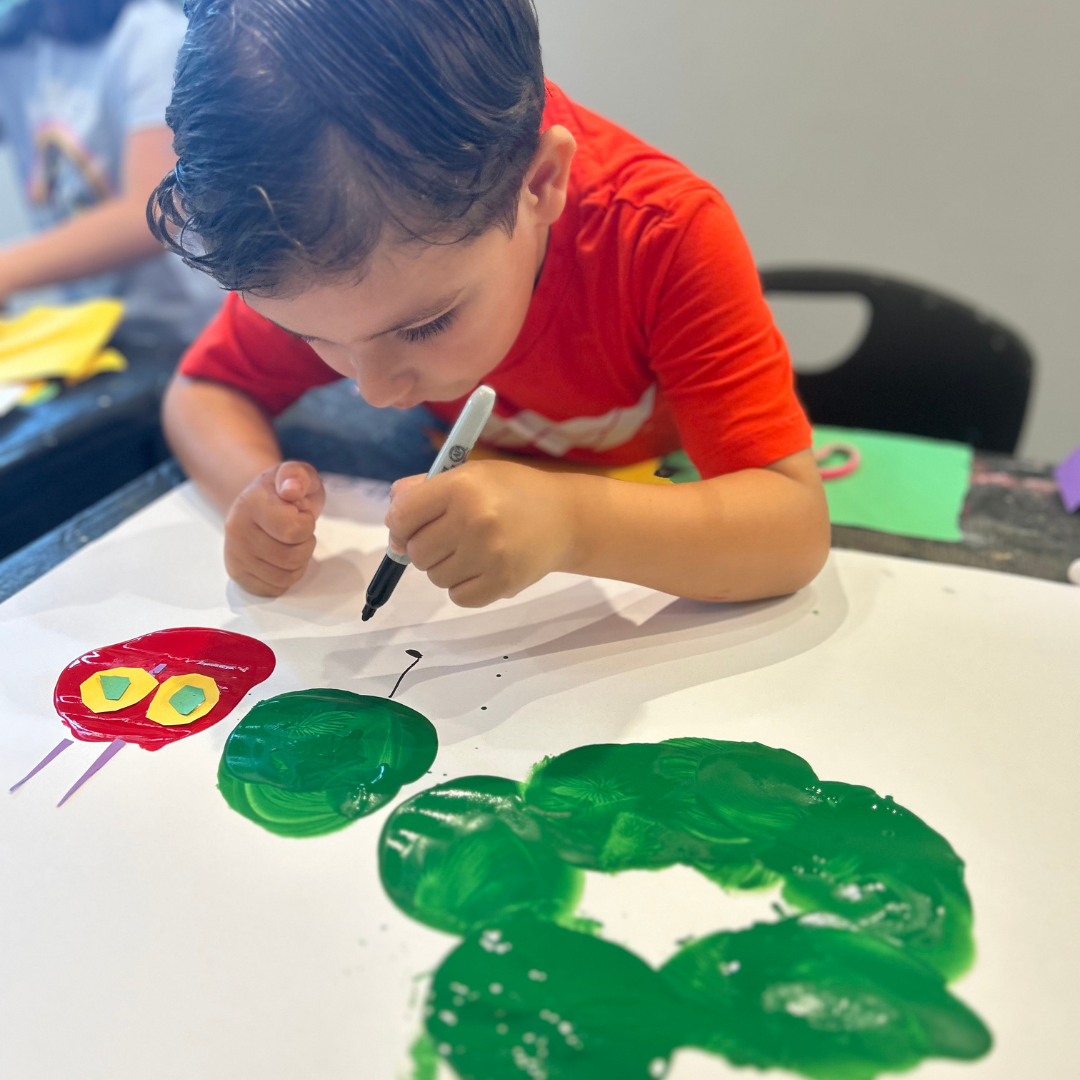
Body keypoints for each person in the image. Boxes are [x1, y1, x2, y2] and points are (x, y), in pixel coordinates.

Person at [152, 0, 831, 606]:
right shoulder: (320, 250)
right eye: (309, 337)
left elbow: (792, 530)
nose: (377, 391)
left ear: (540, 186)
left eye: (427, 325)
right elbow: (203, 391)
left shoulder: (661, 236)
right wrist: (258, 497)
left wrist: (572, 524)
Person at [0, 0, 221, 339]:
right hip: (97, 330)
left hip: (185, 329)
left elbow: (154, 211)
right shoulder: (18, 44)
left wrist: (6, 271)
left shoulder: (151, 37)